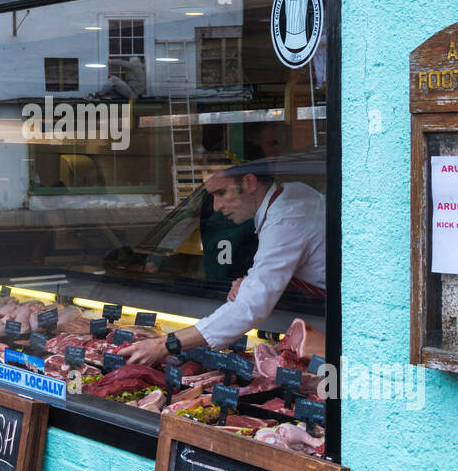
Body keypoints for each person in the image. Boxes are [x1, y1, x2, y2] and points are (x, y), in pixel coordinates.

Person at [122, 157, 325, 366]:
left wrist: (164, 345)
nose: (216, 207)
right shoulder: (293, 193)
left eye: (221, 193)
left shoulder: (285, 221)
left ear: (249, 182)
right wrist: (251, 280)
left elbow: (250, 307)